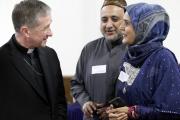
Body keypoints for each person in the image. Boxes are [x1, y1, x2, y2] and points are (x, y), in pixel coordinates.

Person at [107, 3, 180, 120]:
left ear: (143, 27)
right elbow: (124, 94)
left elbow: (171, 112)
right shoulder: (130, 55)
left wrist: (133, 112)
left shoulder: (164, 59)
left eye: (126, 23)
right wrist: (115, 110)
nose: (120, 28)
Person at [0, 0, 67, 120]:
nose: (51, 33)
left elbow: (60, 100)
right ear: (26, 31)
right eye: (45, 28)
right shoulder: (2, 60)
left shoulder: (50, 55)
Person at [71, 0, 127, 119]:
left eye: (115, 19)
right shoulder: (89, 49)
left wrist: (115, 108)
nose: (109, 25)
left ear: (126, 20)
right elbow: (76, 84)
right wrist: (85, 102)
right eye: (104, 19)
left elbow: (140, 93)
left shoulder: (134, 50)